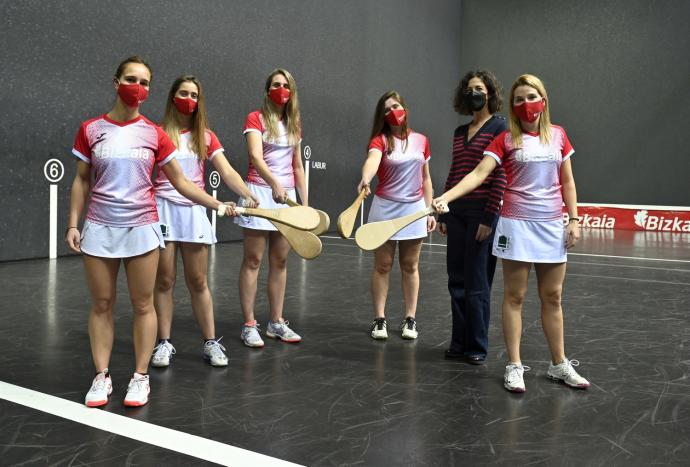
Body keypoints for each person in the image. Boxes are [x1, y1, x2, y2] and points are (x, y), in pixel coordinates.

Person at [65, 56, 236, 408]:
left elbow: (180, 182)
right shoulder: (90, 129)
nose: (138, 88)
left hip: (144, 227)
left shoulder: (154, 134)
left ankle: (140, 377)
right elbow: (81, 180)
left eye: (144, 83)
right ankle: (102, 376)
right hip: (99, 227)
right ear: (116, 82)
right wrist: (72, 223)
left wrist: (216, 204)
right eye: (131, 79)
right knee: (102, 304)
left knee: (144, 304)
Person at [433, 74, 590, 392]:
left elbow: (568, 182)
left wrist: (574, 219)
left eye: (531, 96)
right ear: (512, 106)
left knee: (553, 297)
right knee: (515, 297)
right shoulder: (505, 139)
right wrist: (446, 198)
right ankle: (514, 365)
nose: (525, 103)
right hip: (516, 226)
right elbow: (478, 173)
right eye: (518, 99)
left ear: (543, 100)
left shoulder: (559, 136)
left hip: (550, 226)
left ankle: (559, 364)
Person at [150, 75, 259, 368]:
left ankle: (211, 342)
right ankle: (163, 343)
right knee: (164, 280)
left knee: (198, 280)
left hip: (195, 211)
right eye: (184, 93)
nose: (190, 99)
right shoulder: (158, 133)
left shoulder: (206, 136)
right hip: (162, 211)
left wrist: (247, 194)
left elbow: (227, 171)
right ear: (173, 97)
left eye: (195, 95)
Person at [438, 70, 507, 364]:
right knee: (457, 280)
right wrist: (443, 212)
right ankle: (459, 342)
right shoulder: (459, 132)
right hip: (457, 214)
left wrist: (489, 218)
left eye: (478, 88)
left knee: (478, 283)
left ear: (490, 93)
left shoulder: (500, 128)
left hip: (482, 214)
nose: (473, 93)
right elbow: (455, 173)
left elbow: (500, 175)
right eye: (468, 89)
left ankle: (477, 346)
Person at [236, 68, 307, 347]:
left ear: (292, 92)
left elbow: (298, 165)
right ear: (268, 91)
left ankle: (276, 322)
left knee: (280, 261)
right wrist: (274, 184)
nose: (281, 89)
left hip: (287, 198)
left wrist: (305, 204)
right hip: (259, 194)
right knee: (253, 260)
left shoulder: (295, 123)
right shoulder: (256, 117)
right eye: (276, 85)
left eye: (286, 85)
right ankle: (249, 324)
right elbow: (255, 155)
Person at [358, 90, 435, 340]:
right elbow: (372, 160)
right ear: (383, 116)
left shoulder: (421, 140)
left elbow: (425, 178)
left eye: (396, 106)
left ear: (405, 108)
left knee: (410, 265)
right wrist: (366, 178)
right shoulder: (380, 140)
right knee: (383, 265)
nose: (393, 112)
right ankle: (379, 320)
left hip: (414, 210)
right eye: (387, 109)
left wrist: (430, 208)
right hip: (384, 209)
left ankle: (410, 319)